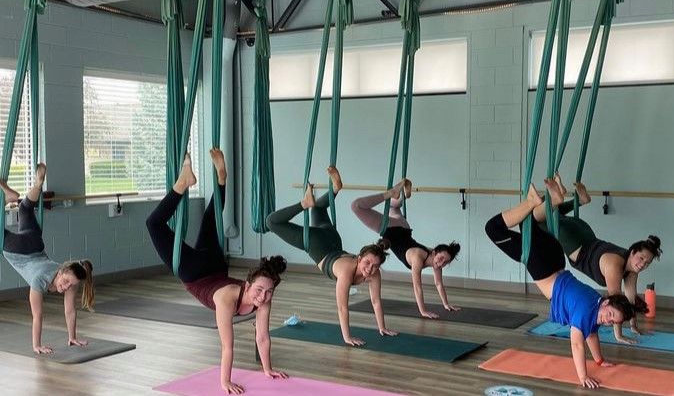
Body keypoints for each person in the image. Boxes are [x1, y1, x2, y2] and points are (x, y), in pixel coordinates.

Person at [147, 150, 287, 394]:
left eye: (268, 292)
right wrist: (224, 382)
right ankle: (183, 183)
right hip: (194, 272)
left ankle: (221, 180)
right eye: (259, 290)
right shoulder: (227, 299)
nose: (262, 297)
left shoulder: (261, 297)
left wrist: (268, 369)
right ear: (247, 283)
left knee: (211, 218)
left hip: (215, 265)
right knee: (154, 224)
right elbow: (227, 346)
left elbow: (262, 338)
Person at [485, 178, 635, 389]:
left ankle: (552, 200)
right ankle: (535, 201)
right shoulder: (586, 310)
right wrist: (582, 376)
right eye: (610, 315)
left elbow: (592, 334)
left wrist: (600, 360)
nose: (607, 321)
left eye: (611, 322)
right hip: (542, 264)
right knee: (493, 228)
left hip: (556, 257)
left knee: (529, 223)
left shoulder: (596, 303)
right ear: (607, 302)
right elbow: (576, 343)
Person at [0, 163, 95, 355]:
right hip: (17, 249)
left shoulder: (72, 278)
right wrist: (36, 345)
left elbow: (70, 311)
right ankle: (5, 200)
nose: (66, 287)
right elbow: (37, 315)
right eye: (66, 282)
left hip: (35, 243)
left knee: (25, 209)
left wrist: (73, 337)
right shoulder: (39, 281)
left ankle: (35, 186)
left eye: (70, 285)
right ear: (61, 270)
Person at [266, 166, 398, 346]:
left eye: (375, 266)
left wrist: (382, 327)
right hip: (318, 243)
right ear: (359, 258)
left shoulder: (373, 273)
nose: (370, 269)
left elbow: (376, 301)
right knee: (271, 222)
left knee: (318, 209)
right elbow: (343, 308)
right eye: (367, 263)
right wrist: (347, 337)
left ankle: (335, 189)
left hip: (331, 237)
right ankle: (304, 203)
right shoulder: (345, 271)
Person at [534, 175, 661, 343]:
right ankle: (558, 197)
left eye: (647, 262)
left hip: (584, 233)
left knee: (553, 215)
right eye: (641, 258)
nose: (642, 264)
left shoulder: (632, 268)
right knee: (538, 221)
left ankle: (578, 201)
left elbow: (629, 299)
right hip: (576, 241)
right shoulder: (615, 266)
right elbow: (616, 303)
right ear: (632, 252)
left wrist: (633, 326)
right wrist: (619, 336)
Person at [351, 179, 460, 318]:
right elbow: (417, 287)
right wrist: (423, 311)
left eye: (445, 263)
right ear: (434, 252)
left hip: (403, 226)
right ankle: (392, 193)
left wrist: (446, 304)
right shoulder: (418, 258)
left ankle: (399, 195)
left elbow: (438, 284)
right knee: (356, 206)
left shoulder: (435, 259)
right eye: (441, 259)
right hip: (393, 229)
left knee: (393, 207)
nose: (440, 264)